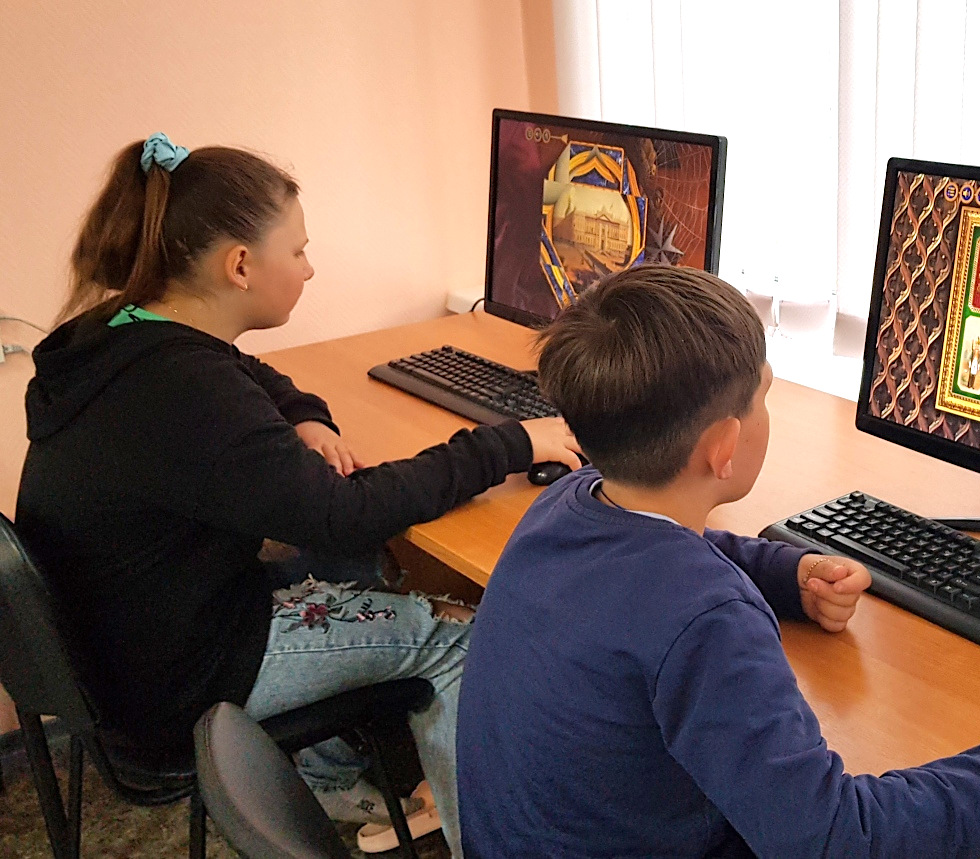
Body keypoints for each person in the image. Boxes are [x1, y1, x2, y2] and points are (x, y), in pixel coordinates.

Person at [455, 265, 980, 857]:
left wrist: (783, 574)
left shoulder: (569, 502)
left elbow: (668, 560)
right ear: (724, 447)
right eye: (762, 394)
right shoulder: (704, 618)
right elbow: (833, 839)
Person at [16, 133, 579, 858]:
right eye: (299, 250)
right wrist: (508, 444)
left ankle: (330, 778)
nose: (310, 268)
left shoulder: (126, 332)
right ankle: (484, 841)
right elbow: (346, 515)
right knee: (467, 642)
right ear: (240, 265)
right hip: (183, 679)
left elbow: (251, 376)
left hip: (131, 644)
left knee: (356, 568)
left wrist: (306, 417)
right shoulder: (186, 390)